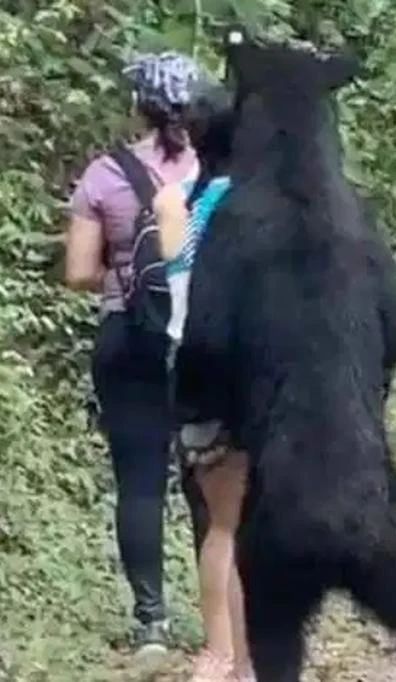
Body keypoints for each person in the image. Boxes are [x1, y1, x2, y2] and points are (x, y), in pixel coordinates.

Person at [64, 51, 201, 655]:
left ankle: (151, 622)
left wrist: (125, 275)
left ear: (137, 106)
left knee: (140, 482)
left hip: (128, 335)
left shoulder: (104, 174)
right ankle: (229, 624)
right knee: (214, 482)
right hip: (205, 339)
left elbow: (76, 272)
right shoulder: (222, 170)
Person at [154, 78, 253, 682]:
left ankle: (221, 652)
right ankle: (244, 660)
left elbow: (176, 277)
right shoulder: (250, 201)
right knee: (248, 523)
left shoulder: (174, 201)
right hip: (246, 366)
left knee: (221, 521)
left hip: (187, 362)